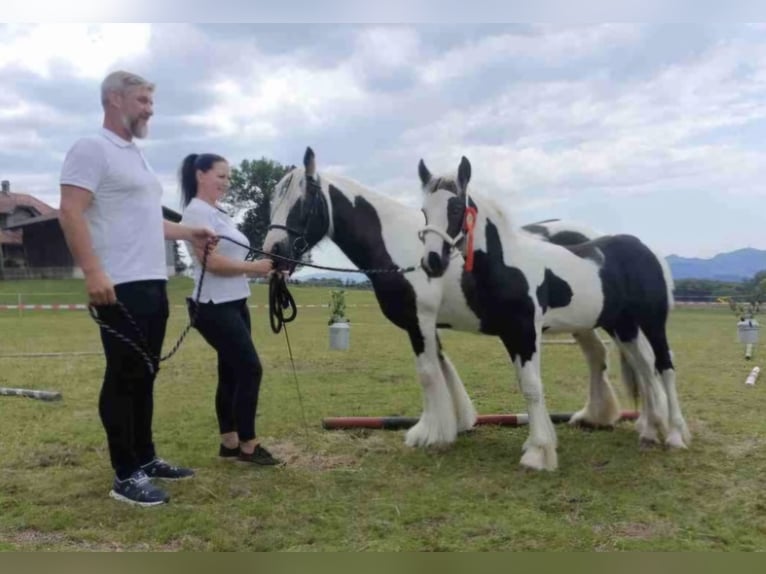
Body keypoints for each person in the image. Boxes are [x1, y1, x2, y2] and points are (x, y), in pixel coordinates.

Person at [59, 71, 217, 507]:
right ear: (114, 99)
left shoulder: (135, 156)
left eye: (151, 101)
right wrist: (93, 273)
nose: (150, 109)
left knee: (146, 374)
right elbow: (70, 212)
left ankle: (145, 459)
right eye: (143, 100)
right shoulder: (92, 148)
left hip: (151, 281)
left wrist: (189, 232)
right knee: (124, 376)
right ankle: (124, 475)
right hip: (117, 284)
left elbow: (146, 220)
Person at [179, 153, 282, 467]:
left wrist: (272, 266)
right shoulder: (197, 214)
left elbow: (233, 255)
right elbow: (211, 264)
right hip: (213, 306)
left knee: (231, 372)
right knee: (250, 369)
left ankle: (230, 443)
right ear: (200, 175)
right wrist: (257, 268)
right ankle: (249, 447)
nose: (226, 182)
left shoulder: (218, 214)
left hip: (235, 301)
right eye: (220, 176)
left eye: (228, 177)